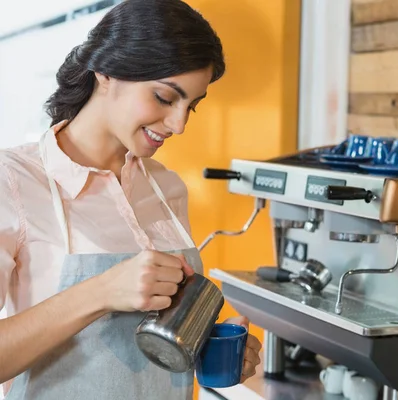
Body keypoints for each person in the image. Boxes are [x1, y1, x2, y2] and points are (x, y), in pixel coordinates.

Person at [0, 0, 262, 399]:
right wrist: (101, 292)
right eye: (163, 97)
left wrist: (200, 343)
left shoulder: (167, 187)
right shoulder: (14, 181)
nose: (179, 124)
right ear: (106, 72)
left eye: (191, 105)